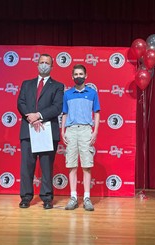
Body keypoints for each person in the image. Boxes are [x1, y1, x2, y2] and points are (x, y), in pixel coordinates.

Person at [17, 53, 64, 209]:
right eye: (41, 62)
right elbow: (21, 103)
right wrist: (30, 117)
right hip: (28, 130)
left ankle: (47, 198)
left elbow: (57, 107)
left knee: (46, 167)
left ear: (52, 66)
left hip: (47, 131)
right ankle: (25, 197)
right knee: (26, 167)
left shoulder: (57, 86)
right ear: (37, 64)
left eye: (47, 63)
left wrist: (39, 115)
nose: (44, 65)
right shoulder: (26, 84)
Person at [61, 64, 100, 211]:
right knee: (71, 165)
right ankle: (73, 197)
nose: (78, 76)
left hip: (85, 131)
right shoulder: (67, 94)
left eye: (81, 74)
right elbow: (64, 113)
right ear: (72, 77)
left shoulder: (92, 93)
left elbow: (96, 112)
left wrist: (95, 131)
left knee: (86, 166)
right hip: (70, 131)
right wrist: (62, 130)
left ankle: (87, 198)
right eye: (76, 74)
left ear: (86, 75)